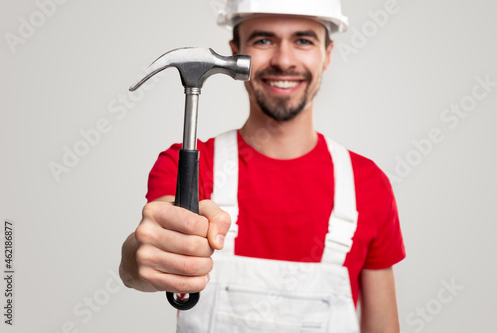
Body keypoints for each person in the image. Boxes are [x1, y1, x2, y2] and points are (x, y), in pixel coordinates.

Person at [119, 1, 406, 332]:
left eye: (303, 40)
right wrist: (139, 257)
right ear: (235, 51)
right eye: (264, 40)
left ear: (327, 54)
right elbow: (145, 249)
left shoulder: (367, 184)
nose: (284, 61)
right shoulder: (190, 169)